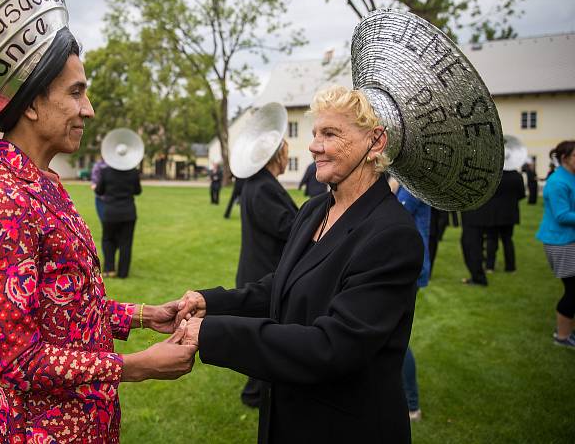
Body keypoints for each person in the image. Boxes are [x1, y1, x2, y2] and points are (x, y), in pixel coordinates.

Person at [0, 31, 196, 442]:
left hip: (84, 423)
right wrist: (136, 365)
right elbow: (16, 358)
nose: (87, 110)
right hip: (38, 430)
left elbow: (68, 305)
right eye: (75, 92)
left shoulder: (40, 181)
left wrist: (144, 315)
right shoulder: (3, 199)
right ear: (32, 103)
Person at [168, 86, 424, 443]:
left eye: (330, 134)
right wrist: (210, 303)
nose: (314, 145)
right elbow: (281, 286)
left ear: (376, 142)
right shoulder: (314, 210)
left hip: (346, 427)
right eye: (315, 133)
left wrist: (210, 334)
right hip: (287, 417)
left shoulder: (391, 235)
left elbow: (331, 347)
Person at [235, 140, 297, 407]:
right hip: (262, 273)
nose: (287, 159)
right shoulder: (262, 186)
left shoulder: (261, 183)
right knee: (265, 339)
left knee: (264, 337)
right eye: (286, 154)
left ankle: (259, 391)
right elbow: (287, 226)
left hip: (259, 270)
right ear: (277, 157)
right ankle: (254, 394)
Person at [394, 183, 431, 422]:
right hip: (402, 262)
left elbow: (392, 214)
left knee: (395, 336)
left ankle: (412, 404)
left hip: (407, 265)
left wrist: (391, 184)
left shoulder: (414, 185)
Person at [535, 140, 575, 348]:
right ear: (565, 158)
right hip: (561, 242)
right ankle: (562, 336)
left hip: (568, 240)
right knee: (573, 290)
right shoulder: (558, 181)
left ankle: (566, 332)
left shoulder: (570, 177)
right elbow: (561, 215)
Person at [95, 164, 142, 278]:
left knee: (108, 239)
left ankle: (109, 269)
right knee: (126, 243)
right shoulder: (133, 172)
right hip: (128, 213)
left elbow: (99, 190)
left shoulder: (105, 172)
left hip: (110, 212)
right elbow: (138, 191)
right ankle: (123, 273)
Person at [484, 169, 526, 273]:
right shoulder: (517, 176)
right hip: (509, 212)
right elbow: (521, 194)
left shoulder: (492, 174)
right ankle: (510, 267)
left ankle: (490, 266)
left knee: (491, 239)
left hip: (492, 212)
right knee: (507, 240)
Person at [460, 200, 491, 286]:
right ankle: (476, 276)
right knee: (470, 247)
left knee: (472, 249)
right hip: (472, 217)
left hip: (475, 217)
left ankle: (479, 278)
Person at [90, 156, 108, 222]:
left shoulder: (117, 165)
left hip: (114, 200)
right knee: (105, 222)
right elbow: (94, 183)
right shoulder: (98, 166)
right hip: (101, 199)